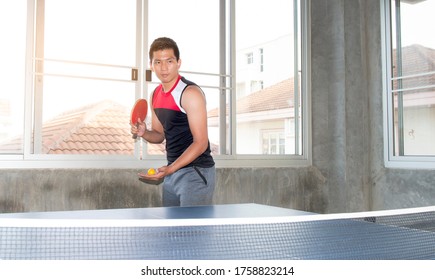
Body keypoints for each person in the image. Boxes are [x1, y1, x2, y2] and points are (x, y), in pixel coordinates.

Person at [131, 37, 215, 207]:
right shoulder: (155, 95)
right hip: (172, 172)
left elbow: (200, 143)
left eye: (169, 61)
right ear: (151, 65)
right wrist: (144, 133)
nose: (163, 68)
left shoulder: (190, 93)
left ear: (178, 63)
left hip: (196, 172)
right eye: (158, 62)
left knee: (193, 233)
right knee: (171, 231)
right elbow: (159, 135)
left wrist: (171, 169)